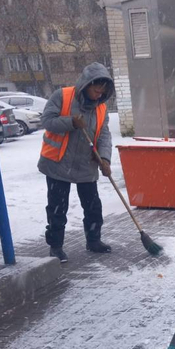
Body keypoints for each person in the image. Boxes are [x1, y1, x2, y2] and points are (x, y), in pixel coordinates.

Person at [38, 62, 114, 263]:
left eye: (102, 92)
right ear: (86, 84)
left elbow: (104, 134)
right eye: (96, 90)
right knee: (57, 208)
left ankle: (94, 240)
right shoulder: (62, 96)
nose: (98, 95)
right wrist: (70, 122)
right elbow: (46, 120)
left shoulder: (101, 107)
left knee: (92, 206)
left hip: (85, 165)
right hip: (58, 163)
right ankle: (56, 247)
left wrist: (105, 158)